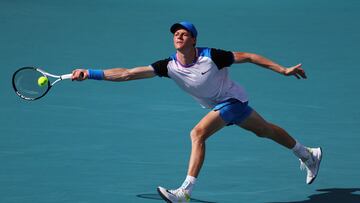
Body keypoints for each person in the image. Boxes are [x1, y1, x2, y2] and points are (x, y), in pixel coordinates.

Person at [72, 21, 322, 203]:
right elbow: (127, 73)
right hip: (225, 106)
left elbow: (249, 57)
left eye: (184, 34)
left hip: (232, 100)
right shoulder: (168, 66)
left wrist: (283, 70)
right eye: (175, 34)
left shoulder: (212, 56)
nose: (178, 37)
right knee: (265, 131)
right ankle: (308, 153)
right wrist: (91, 73)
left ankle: (185, 192)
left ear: (193, 40)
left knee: (197, 133)